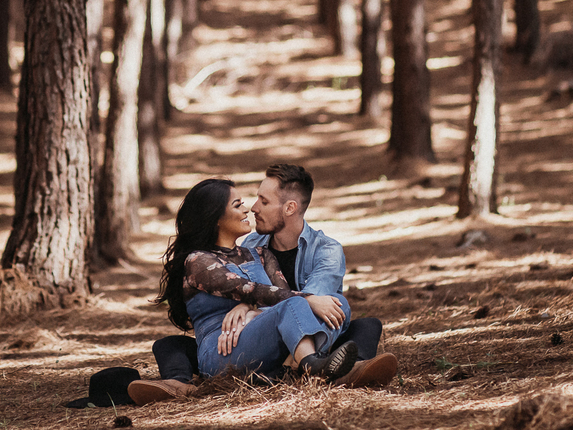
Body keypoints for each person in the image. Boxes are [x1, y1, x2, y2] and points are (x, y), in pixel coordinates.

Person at [129, 165, 397, 405]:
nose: (250, 208)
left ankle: (305, 366)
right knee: (298, 304)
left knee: (340, 304)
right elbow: (249, 289)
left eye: (258, 201)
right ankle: (314, 366)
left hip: (265, 337)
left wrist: (250, 309)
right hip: (223, 346)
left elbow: (274, 294)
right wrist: (297, 300)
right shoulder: (199, 260)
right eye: (238, 205)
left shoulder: (261, 254)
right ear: (216, 217)